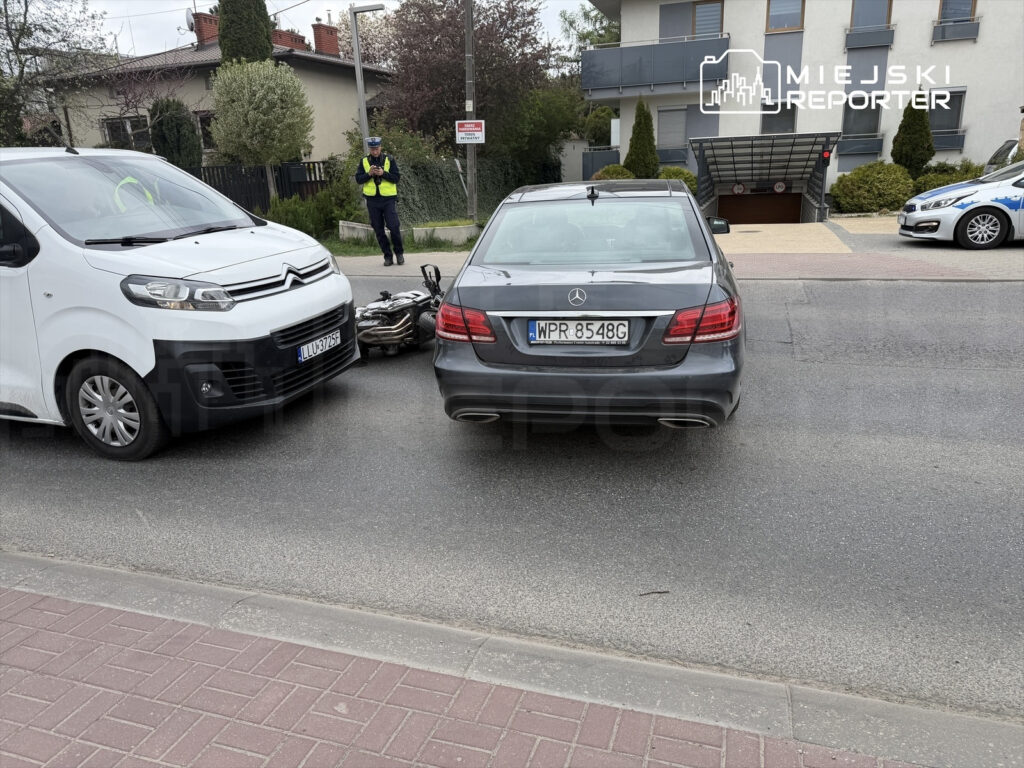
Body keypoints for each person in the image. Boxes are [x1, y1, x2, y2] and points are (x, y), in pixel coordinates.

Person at [355, 136, 404, 266]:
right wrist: (369, 174)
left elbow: (396, 178)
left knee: (394, 227)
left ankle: (399, 253)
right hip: (372, 200)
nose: (375, 151)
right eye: (372, 149)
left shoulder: (389, 159)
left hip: (388, 199)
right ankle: (387, 256)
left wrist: (383, 173)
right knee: (378, 229)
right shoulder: (364, 161)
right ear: (369, 149)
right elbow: (359, 179)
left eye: (376, 149)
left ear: (380, 147)